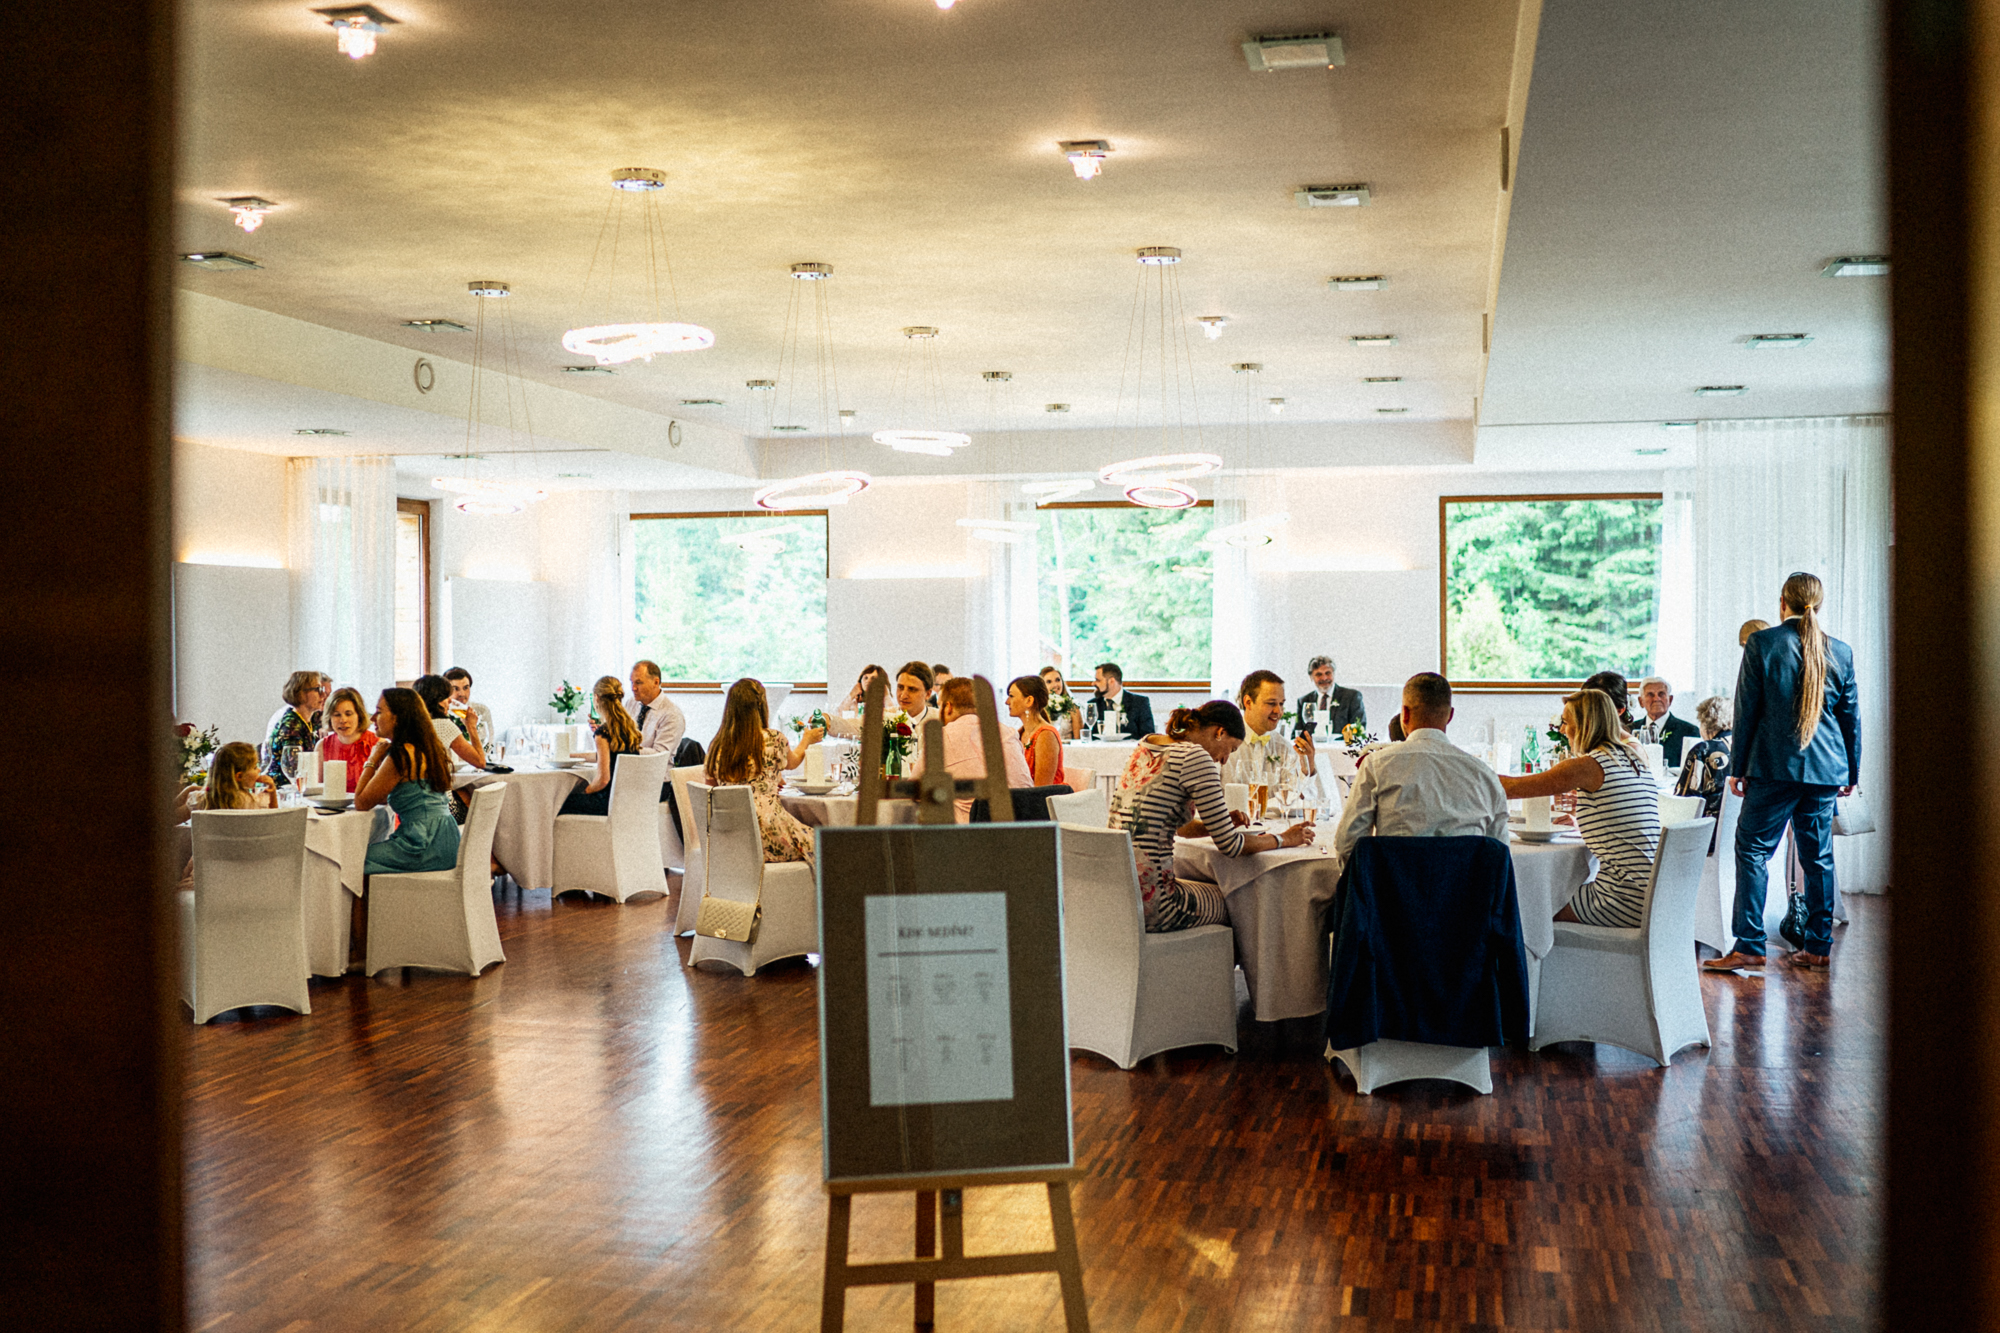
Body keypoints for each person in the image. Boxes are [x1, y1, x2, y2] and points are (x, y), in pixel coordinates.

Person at [1704, 572, 1862, 973]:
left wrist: (1737, 768)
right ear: (1819, 605)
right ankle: (1818, 946)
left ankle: (1750, 944)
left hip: (1773, 767)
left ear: (1782, 603)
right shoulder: (1840, 651)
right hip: (1826, 770)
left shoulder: (1763, 643)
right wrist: (1852, 772)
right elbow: (1850, 718)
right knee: (1818, 858)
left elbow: (1746, 709)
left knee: (1753, 850)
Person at [1111, 700, 1313, 932]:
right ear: (1220, 732)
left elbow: (1180, 828)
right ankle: (1250, 958)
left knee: (1220, 890)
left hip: (1121, 895)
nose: (1225, 760)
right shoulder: (1195, 757)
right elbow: (1231, 846)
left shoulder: (1147, 744)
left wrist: (1219, 822)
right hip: (1157, 903)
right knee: (1242, 901)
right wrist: (1285, 839)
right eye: (1232, 749)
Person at [1500, 689, 1662, 927]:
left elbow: (1513, 788)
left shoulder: (1587, 766)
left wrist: (1464, 770)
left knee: (1523, 908)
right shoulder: (1632, 757)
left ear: (1585, 725)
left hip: (1623, 899)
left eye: (1566, 723)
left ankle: (1529, 954)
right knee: (1540, 899)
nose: (1562, 730)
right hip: (1653, 895)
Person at [1330, 673, 1509, 875]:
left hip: (1392, 892)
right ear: (1450, 716)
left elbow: (1347, 844)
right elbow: (1499, 856)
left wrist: (1368, 885)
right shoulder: (1484, 775)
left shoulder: (1377, 765)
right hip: (1466, 893)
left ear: (1404, 714)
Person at [706, 678, 821, 863]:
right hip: (768, 830)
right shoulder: (774, 739)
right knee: (825, 846)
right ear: (761, 706)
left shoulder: (717, 745)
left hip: (731, 836)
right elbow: (792, 763)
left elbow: (711, 788)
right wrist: (806, 740)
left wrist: (769, 778)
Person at [357, 688, 461, 875]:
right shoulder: (428, 748)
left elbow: (361, 803)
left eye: (379, 712)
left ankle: (369, 897)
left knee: (349, 859)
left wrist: (372, 759)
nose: (372, 718)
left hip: (421, 843)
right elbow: (383, 797)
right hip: (447, 839)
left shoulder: (402, 754)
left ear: (397, 718)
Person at [913, 678, 1034, 820]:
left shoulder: (942, 737)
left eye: (940, 706)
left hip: (969, 830)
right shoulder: (1008, 733)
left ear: (948, 707)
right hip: (1021, 825)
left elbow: (912, 794)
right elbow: (1024, 787)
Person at [557, 676, 647, 817]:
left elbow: (603, 780)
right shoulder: (629, 729)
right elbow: (606, 756)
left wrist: (585, 791)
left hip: (606, 802)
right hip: (625, 800)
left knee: (556, 801)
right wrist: (571, 756)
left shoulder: (603, 732)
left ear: (596, 698)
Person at [1222, 669, 1316, 792]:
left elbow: (1298, 797)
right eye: (1271, 703)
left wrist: (1308, 766)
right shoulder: (1224, 745)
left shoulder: (1283, 748)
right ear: (1248, 702)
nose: (1279, 711)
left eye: (1281, 704)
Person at [264, 670, 327, 788]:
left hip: (303, 786)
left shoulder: (312, 719)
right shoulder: (291, 725)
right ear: (301, 694)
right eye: (318, 689)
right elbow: (294, 767)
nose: (323, 695)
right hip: (282, 789)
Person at [413, 674, 488, 773]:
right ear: (436, 700)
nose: (449, 700)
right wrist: (471, 726)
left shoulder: (412, 723)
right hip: (438, 781)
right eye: (446, 697)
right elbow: (480, 762)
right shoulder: (444, 725)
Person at [1675, 695, 1733, 820]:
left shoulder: (1704, 749)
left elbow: (1685, 799)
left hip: (1708, 826)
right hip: (1741, 824)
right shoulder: (1747, 746)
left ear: (1705, 722)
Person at [1007, 675, 1067, 787]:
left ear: (1029, 701)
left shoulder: (1046, 735)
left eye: (1011, 696)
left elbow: (1042, 789)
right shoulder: (1021, 733)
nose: (1007, 702)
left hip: (1047, 797)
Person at [316, 686, 378, 793]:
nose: (343, 720)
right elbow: (318, 789)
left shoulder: (377, 744)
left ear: (359, 715)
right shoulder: (322, 746)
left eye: (348, 714)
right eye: (336, 715)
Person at [1634, 676, 1701, 769]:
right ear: (1641, 701)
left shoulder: (1689, 731)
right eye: (1650, 694)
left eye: (1661, 694)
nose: (1656, 699)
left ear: (1670, 699)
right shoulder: (1630, 730)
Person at [627, 659, 687, 759]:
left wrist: (626, 750)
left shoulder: (672, 714)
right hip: (628, 764)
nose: (633, 688)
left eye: (638, 683)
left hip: (654, 768)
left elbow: (660, 755)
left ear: (656, 682)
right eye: (632, 682)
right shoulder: (631, 703)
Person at [1297, 655, 1366, 738]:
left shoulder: (1352, 697)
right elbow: (1297, 733)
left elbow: (1359, 729)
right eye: (1319, 674)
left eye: (1328, 673)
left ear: (1334, 674)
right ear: (1311, 677)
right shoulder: (1304, 701)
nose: (1324, 678)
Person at [205, 742, 278, 811]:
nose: (259, 770)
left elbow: (196, 790)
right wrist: (272, 791)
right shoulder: (253, 801)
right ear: (239, 776)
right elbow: (274, 816)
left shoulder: (206, 798)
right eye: (255, 767)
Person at [1090, 662, 1155, 739]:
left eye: (1098, 680)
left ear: (1111, 681)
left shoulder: (1139, 702)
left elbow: (1148, 736)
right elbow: (1089, 735)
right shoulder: (1093, 704)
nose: (1093, 683)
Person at [824, 664, 890, 739]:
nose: (868, 681)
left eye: (873, 678)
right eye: (865, 678)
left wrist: (886, 695)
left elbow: (893, 717)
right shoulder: (854, 703)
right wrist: (852, 694)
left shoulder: (884, 702)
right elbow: (838, 717)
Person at [442, 667, 492, 752]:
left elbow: (490, 741)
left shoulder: (482, 710)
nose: (462, 694)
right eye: (455, 689)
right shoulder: (442, 712)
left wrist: (483, 754)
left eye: (466, 688)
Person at [1040, 666, 1084, 740]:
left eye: (1057, 680)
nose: (1055, 685)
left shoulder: (1073, 707)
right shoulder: (1038, 708)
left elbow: (1078, 739)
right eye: (1049, 682)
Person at [894, 661, 939, 730]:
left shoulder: (941, 722)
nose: (903, 696)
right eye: (900, 687)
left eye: (912, 689)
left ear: (928, 694)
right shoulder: (883, 718)